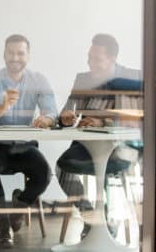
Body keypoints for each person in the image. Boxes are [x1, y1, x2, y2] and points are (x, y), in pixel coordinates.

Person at [0, 34, 57, 248]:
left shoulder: (39, 80)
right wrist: (2, 107)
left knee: (44, 172)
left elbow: (51, 113)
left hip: (22, 145)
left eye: (20, 53)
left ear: (28, 56)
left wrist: (45, 119)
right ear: (4, 54)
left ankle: (17, 209)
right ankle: (4, 227)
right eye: (11, 53)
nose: (15, 57)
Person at [56, 33, 142, 239]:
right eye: (89, 57)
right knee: (62, 168)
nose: (90, 63)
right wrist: (66, 118)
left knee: (103, 169)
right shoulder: (83, 79)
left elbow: (137, 118)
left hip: (120, 146)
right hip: (87, 145)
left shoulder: (131, 78)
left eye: (97, 59)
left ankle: (107, 221)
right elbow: (66, 111)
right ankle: (91, 215)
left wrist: (104, 121)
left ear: (112, 59)